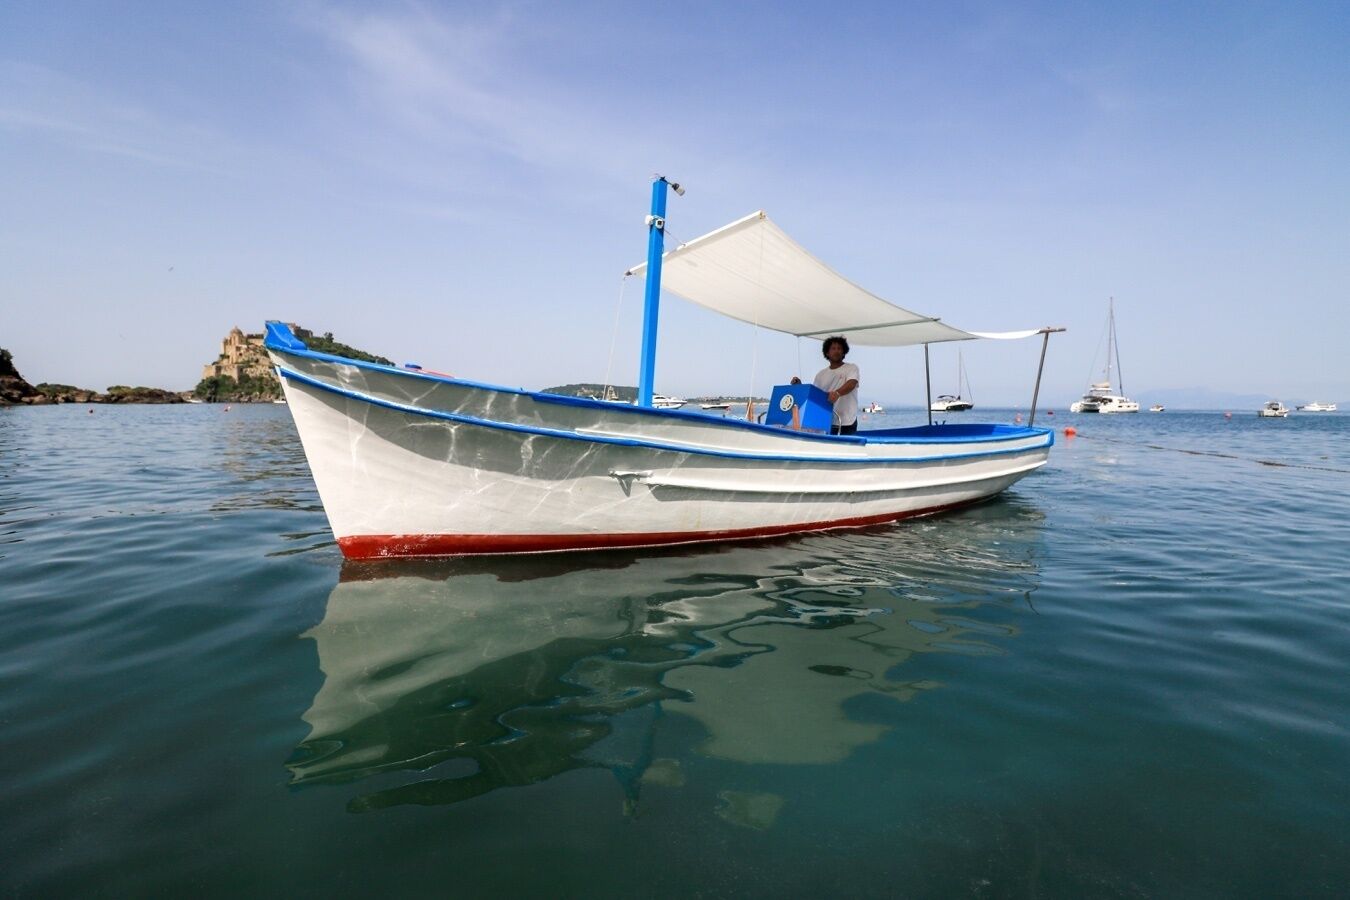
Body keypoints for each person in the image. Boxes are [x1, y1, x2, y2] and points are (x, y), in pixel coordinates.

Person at [791, 335, 859, 435]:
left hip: (847, 422)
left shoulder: (852, 368)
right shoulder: (820, 375)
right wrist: (800, 386)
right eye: (833, 348)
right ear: (827, 352)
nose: (837, 351)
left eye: (839, 348)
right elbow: (814, 396)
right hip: (826, 421)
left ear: (843, 352)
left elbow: (852, 383)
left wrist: (837, 393)